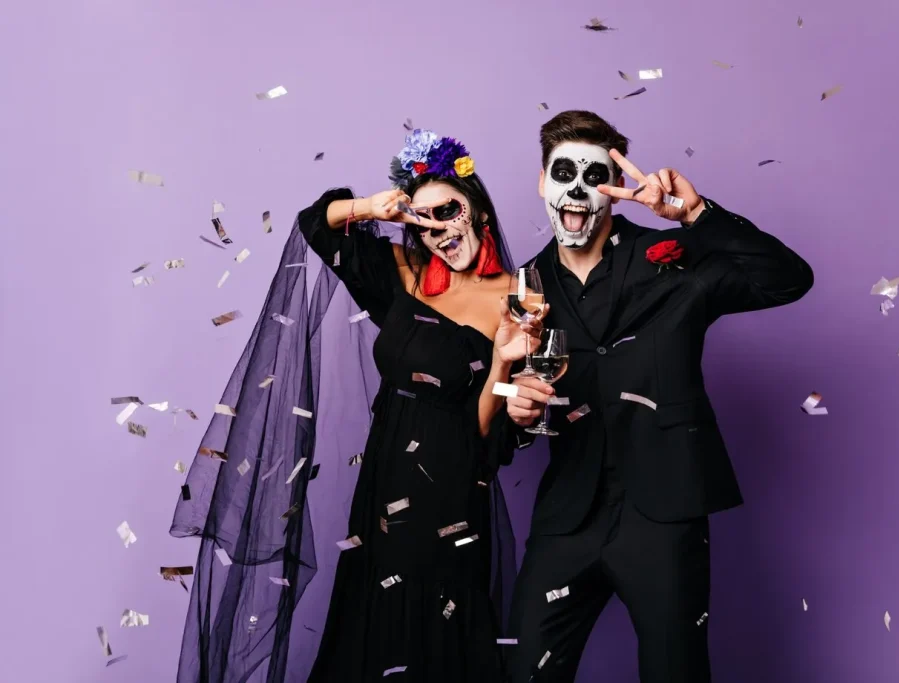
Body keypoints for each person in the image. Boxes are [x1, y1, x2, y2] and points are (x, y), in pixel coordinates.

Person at [171, 129, 540, 683]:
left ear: (479, 211)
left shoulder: (521, 297)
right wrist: (370, 207)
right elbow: (315, 226)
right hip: (384, 484)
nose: (438, 230)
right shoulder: (405, 276)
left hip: (453, 488)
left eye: (448, 212)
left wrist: (504, 365)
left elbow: (491, 435)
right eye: (423, 221)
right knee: (373, 624)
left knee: (439, 628)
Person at [502, 110, 814, 683]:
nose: (577, 189)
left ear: (616, 188)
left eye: (594, 176)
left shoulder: (673, 257)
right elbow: (510, 414)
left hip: (665, 513)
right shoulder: (522, 287)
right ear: (542, 182)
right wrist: (516, 415)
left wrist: (694, 216)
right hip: (569, 516)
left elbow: (789, 279)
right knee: (525, 670)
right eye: (563, 173)